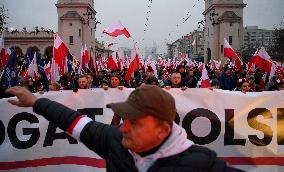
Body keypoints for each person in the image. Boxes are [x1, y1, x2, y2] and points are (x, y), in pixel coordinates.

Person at [5, 85, 243, 172]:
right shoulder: (114, 141)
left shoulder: (202, 165)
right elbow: (75, 122)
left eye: (135, 122)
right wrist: (36, 102)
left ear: (162, 129)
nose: (123, 127)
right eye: (124, 118)